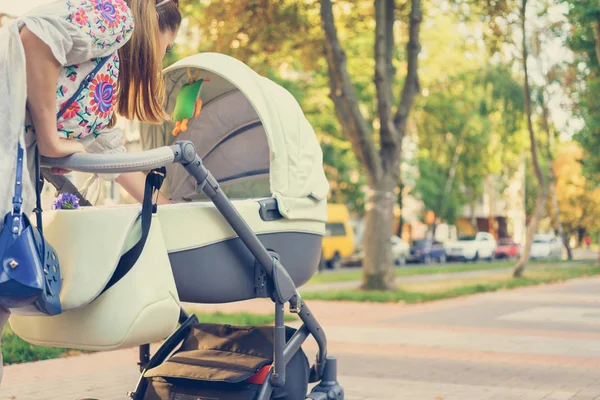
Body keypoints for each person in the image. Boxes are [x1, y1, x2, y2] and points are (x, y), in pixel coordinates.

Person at [0, 0, 181, 382]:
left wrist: (176, 210)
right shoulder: (117, 16)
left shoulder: (98, 78)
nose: (164, 60)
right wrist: (51, 140)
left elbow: (114, 160)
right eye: (169, 47)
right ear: (157, 21)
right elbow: (35, 38)